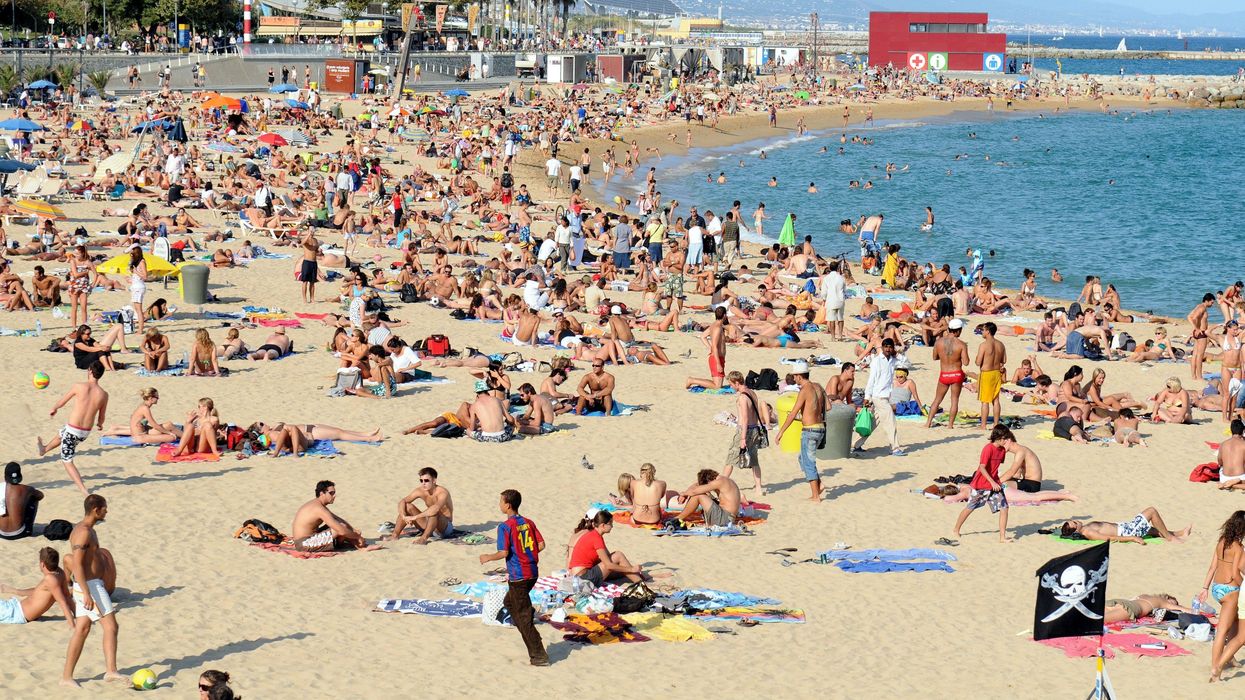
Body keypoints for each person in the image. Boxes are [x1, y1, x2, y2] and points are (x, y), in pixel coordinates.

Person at [477, 489, 548, 666]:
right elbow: (541, 544)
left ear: (508, 505)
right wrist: (527, 555)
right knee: (510, 603)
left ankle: (538, 655)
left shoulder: (505, 526)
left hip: (519, 576)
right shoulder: (528, 522)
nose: (499, 504)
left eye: (501, 501)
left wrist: (487, 557)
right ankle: (527, 621)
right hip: (532, 572)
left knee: (523, 617)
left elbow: (504, 552)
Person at [63, 494, 124, 688]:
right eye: (105, 508)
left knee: (82, 629)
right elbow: (78, 565)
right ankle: (111, 670)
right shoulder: (83, 532)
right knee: (111, 626)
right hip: (90, 586)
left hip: (90, 585)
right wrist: (87, 593)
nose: (107, 511)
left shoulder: (88, 530)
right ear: (96, 509)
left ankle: (66, 677)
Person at [35, 361, 108, 495]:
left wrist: (54, 408)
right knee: (62, 432)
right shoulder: (103, 394)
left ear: (90, 371)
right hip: (84, 433)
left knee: (67, 460)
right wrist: (100, 424)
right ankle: (44, 449)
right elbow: (101, 417)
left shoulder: (79, 386)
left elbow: (63, 401)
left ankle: (83, 489)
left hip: (73, 430)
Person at [951, 425, 1014, 544]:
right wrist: (991, 482)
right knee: (970, 507)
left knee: (1004, 508)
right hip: (981, 485)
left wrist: (996, 482)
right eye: (1005, 438)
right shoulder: (988, 448)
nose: (1006, 440)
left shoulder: (1002, 450)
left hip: (995, 485)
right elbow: (982, 467)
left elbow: (996, 466)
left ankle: (1002, 537)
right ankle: (956, 529)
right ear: (998, 437)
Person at [1203, 510, 1245, 680]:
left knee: (1233, 622)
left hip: (1216, 588)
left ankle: (1230, 658)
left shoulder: (1221, 542)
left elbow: (1212, 567)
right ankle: (1215, 667)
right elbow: (1235, 574)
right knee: (1222, 630)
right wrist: (1243, 586)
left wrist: (1204, 587)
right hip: (1230, 590)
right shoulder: (1238, 547)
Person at [776, 361, 827, 501]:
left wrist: (781, 432)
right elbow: (828, 407)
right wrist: (811, 412)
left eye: (795, 376)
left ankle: (816, 496)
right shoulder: (818, 387)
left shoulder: (805, 390)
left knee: (808, 461)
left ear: (799, 376)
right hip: (820, 429)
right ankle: (819, 484)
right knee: (802, 458)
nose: (794, 379)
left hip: (810, 430)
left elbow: (792, 413)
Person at [855, 339, 905, 456]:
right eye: (886, 347)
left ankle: (855, 444)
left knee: (872, 423)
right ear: (882, 347)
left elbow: (906, 363)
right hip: (878, 397)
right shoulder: (877, 361)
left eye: (890, 347)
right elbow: (871, 380)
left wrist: (897, 353)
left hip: (886, 396)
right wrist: (867, 397)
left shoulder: (893, 360)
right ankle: (895, 448)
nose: (888, 349)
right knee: (890, 422)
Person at [0, 546, 73, 626]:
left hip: (16, 614)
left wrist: (71, 622)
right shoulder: (60, 573)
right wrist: (77, 614)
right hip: (15, 607)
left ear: (42, 564)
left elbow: (62, 601)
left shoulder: (50, 579)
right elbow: (67, 596)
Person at [567, 510, 644, 585]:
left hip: (577, 575)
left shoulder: (591, 534)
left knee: (621, 569)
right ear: (603, 525)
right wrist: (631, 569)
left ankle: (638, 579)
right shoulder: (596, 538)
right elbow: (608, 565)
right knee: (618, 555)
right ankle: (641, 585)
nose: (612, 526)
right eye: (610, 524)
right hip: (583, 578)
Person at [724, 371, 770, 495]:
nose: (731, 387)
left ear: (737, 382)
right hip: (755, 429)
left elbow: (744, 418)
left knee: (731, 458)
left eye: (731, 384)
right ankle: (759, 488)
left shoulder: (743, 397)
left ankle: (722, 484)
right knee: (754, 460)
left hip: (745, 430)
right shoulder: (752, 393)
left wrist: (743, 438)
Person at [291, 480, 366, 552]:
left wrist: (353, 530)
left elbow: (338, 519)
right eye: (331, 493)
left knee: (340, 524)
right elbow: (341, 531)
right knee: (339, 529)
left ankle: (354, 544)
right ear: (321, 493)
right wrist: (357, 537)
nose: (334, 495)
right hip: (304, 544)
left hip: (309, 537)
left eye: (334, 493)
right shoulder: (318, 508)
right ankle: (357, 545)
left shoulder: (318, 504)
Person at [1059, 507, 1191, 544]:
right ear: (1075, 529)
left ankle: (1180, 533)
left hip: (1126, 527)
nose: (1076, 520)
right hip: (1127, 531)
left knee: (1153, 530)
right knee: (1151, 511)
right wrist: (1133, 538)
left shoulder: (1086, 527)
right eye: (1074, 522)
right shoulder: (1088, 532)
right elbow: (1108, 538)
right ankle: (1170, 538)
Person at [391, 467, 454, 544]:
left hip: (444, 528)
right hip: (428, 524)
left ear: (434, 480)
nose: (423, 483)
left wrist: (415, 517)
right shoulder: (420, 490)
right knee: (407, 506)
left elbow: (436, 508)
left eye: (426, 480)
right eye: (421, 480)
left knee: (434, 512)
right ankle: (394, 535)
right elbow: (402, 501)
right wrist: (404, 516)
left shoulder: (442, 492)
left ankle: (423, 539)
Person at [926, 318, 969, 429]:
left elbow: (934, 357)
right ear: (958, 330)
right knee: (954, 400)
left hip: (944, 373)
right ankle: (950, 425)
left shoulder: (939, 342)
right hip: (956, 373)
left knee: (937, 399)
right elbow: (966, 362)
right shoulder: (961, 344)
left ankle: (928, 423)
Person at [672, 469, 742, 527]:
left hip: (724, 519)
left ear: (708, 481)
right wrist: (686, 493)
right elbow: (696, 485)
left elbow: (694, 492)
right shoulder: (723, 479)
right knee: (704, 493)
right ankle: (679, 517)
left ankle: (678, 518)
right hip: (728, 517)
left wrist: (684, 494)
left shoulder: (718, 482)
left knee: (698, 495)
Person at [686, 306, 728, 390]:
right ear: (724, 315)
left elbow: (702, 336)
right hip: (716, 358)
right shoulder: (717, 328)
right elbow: (715, 346)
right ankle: (692, 380)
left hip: (718, 357)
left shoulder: (714, 325)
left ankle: (692, 380)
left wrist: (709, 347)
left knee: (718, 384)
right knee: (717, 386)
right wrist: (718, 363)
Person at [975, 321, 1006, 429]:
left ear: (988, 331)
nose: (982, 332)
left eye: (983, 330)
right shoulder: (1000, 344)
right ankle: (996, 424)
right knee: (996, 400)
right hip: (996, 373)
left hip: (987, 373)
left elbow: (978, 362)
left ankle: (983, 425)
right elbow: (1004, 360)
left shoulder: (983, 345)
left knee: (985, 401)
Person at [0, 462, 41, 539]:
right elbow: (40, 496)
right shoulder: (27, 489)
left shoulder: (0, 487)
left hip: (1, 532)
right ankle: (29, 529)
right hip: (19, 533)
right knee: (33, 498)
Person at [821, 260, 846, 340]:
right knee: (840, 318)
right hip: (840, 299)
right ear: (837, 268)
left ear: (830, 268)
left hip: (831, 299)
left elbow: (824, 291)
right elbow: (844, 289)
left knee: (832, 319)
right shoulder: (841, 278)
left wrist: (824, 299)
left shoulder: (826, 278)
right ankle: (840, 335)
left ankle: (833, 336)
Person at [1220, 420, 1245, 490]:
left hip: (1224, 477)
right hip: (1241, 477)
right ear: (1243, 431)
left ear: (1231, 431)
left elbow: (1220, 462)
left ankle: (1226, 483)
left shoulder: (1223, 444)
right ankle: (1235, 484)